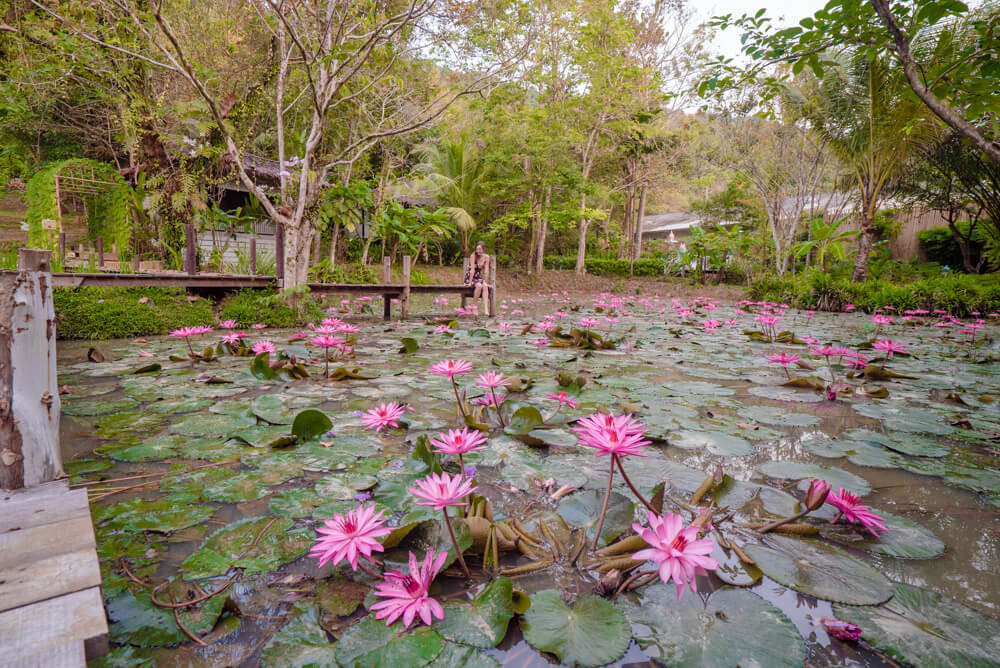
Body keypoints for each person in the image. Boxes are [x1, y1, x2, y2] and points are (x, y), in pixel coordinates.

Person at [465, 241, 491, 318]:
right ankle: (474, 307)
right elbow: (472, 270)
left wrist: (486, 282)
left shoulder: (486, 257)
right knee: (479, 286)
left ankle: (486, 308)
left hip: (478, 277)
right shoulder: (473, 256)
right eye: (477, 249)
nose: (478, 251)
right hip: (470, 276)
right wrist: (469, 282)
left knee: (485, 286)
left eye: (480, 249)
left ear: (483, 249)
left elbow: (486, 271)